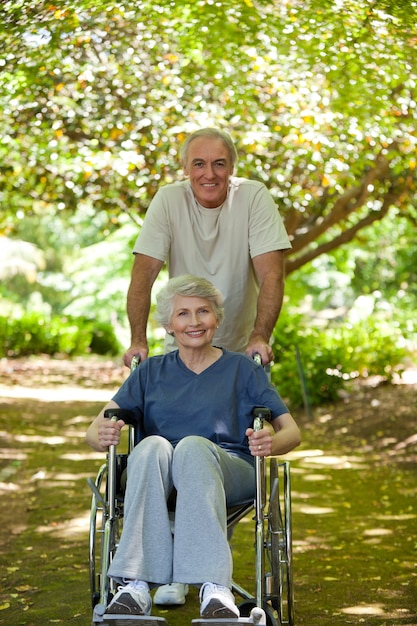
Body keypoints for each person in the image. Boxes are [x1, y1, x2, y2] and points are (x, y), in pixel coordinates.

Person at [86, 275, 301, 619]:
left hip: (229, 469)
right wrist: (101, 435)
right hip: (156, 474)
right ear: (169, 325)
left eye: (203, 311)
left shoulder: (243, 370)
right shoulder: (150, 372)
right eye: (183, 314)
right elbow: (95, 426)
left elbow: (292, 431)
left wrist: (271, 442)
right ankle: (135, 585)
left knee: (192, 448)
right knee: (152, 445)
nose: (194, 321)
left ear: (217, 318)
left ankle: (214, 587)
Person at [124, 127, 292, 372]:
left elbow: (272, 275)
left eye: (219, 164)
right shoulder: (168, 200)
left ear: (232, 168)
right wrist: (138, 340)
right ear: (185, 168)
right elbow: (143, 275)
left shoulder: (254, 197)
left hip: (243, 350)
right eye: (199, 164)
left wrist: (260, 337)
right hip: (184, 351)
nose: (209, 174)